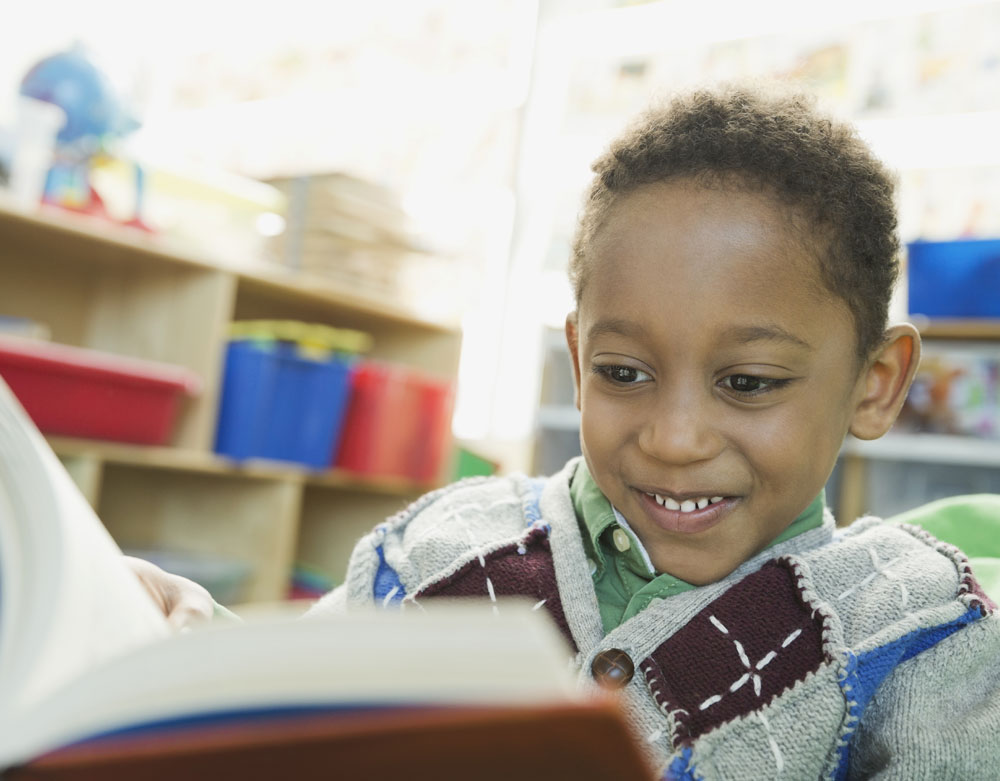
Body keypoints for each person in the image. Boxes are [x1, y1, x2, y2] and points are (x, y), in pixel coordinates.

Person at [133, 82, 1000, 778]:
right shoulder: (440, 544)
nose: (673, 437)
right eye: (625, 374)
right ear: (579, 356)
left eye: (748, 383)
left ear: (875, 383)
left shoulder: (915, 625)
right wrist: (187, 634)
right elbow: (293, 705)